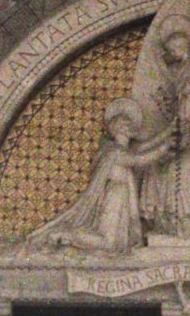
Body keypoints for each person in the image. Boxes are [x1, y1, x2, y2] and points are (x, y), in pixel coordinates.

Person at [28, 98, 173, 253]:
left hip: (121, 195)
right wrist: (165, 146)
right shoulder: (115, 152)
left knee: (115, 244)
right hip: (116, 195)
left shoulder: (120, 149)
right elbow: (140, 159)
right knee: (109, 244)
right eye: (126, 123)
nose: (130, 126)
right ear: (119, 128)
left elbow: (145, 146)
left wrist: (169, 130)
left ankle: (67, 236)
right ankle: (65, 235)